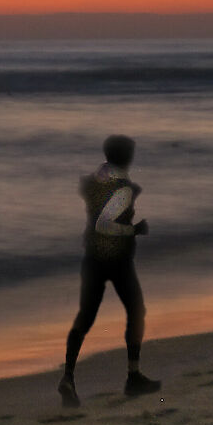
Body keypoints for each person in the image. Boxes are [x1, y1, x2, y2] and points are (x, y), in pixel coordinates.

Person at [59, 133, 159, 407]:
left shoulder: (95, 179)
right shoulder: (123, 188)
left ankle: (68, 376)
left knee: (85, 318)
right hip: (117, 260)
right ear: (126, 157)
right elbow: (104, 224)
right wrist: (134, 230)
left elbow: (94, 207)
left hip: (92, 258)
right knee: (136, 311)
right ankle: (133, 376)